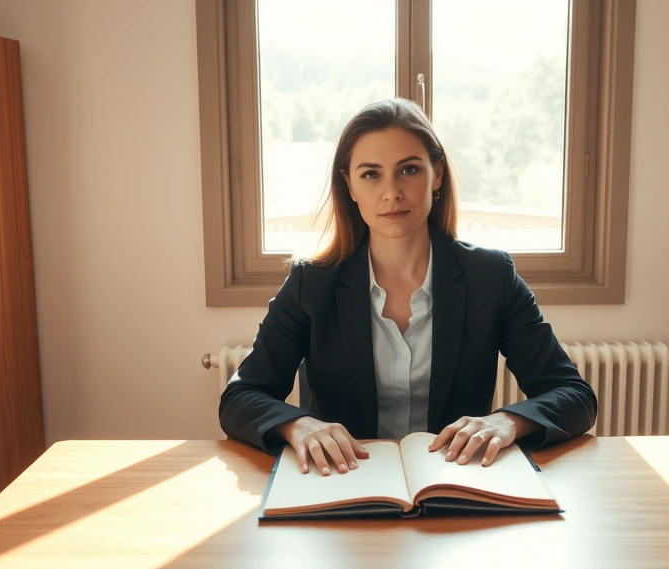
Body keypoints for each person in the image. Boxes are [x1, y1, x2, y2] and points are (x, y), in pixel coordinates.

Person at [219, 98, 597, 476]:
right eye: (371, 174)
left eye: (409, 170)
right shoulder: (311, 282)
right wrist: (298, 426)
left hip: (455, 483)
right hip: (344, 485)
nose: (391, 192)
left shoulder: (490, 276)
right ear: (349, 185)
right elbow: (241, 397)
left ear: (438, 174)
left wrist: (509, 421)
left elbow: (574, 395)